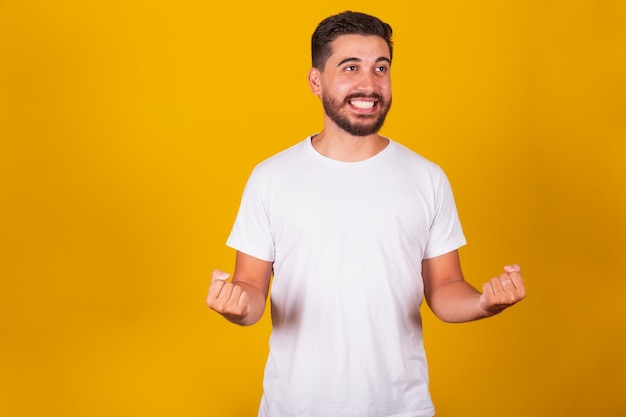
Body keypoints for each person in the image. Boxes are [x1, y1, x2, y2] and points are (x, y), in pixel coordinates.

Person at [206, 10, 526, 417]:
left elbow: (445, 288)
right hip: (296, 407)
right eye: (350, 67)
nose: (369, 84)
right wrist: (235, 306)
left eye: (381, 68)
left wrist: (484, 303)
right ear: (316, 81)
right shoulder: (271, 178)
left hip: (401, 407)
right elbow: (250, 290)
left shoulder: (426, 177)